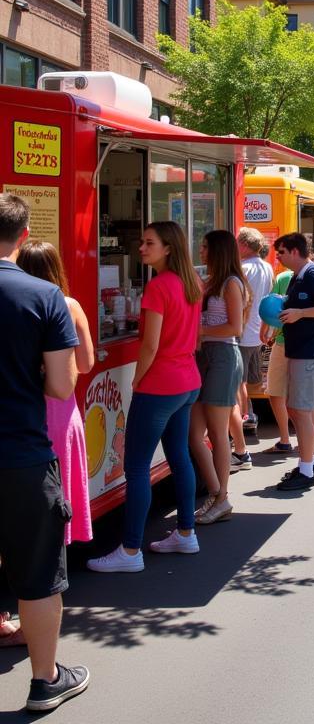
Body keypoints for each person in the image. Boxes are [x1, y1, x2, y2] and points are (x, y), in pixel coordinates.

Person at [0, 195, 88, 711]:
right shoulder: (44, 296)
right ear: (25, 233)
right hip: (21, 456)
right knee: (36, 576)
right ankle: (45, 679)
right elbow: (61, 386)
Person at [88, 221, 202, 571]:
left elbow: (149, 344)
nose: (141, 248)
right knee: (179, 456)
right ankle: (186, 532)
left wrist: (138, 380)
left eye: (149, 243)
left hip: (159, 385)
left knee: (136, 467)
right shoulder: (192, 283)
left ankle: (131, 551)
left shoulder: (158, 287)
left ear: (168, 248)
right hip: (186, 381)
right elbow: (194, 338)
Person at [15, 242, 94, 548]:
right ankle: (56, 553)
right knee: (60, 486)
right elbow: (86, 363)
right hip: (62, 409)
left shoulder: (15, 303)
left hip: (24, 406)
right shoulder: (69, 305)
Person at [190, 230, 250, 524]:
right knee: (194, 435)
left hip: (223, 357)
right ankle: (216, 494)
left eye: (204, 246)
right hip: (206, 357)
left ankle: (221, 497)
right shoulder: (212, 280)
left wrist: (199, 331)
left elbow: (235, 327)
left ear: (218, 251)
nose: (200, 251)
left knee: (216, 432)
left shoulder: (230, 283)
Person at [274, 232, 314, 491]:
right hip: (304, 351)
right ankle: (310, 465)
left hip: (310, 353)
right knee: (305, 410)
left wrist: (301, 313)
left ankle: (307, 469)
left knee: (302, 411)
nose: (277, 257)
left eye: (280, 252)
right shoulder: (301, 276)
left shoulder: (312, 273)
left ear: (294, 251)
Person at [233, 227, 273, 452]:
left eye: (238, 243)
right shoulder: (267, 267)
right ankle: (249, 414)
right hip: (258, 329)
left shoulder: (243, 268)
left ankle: (246, 416)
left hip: (243, 330)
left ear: (245, 245)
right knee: (246, 379)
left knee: (240, 380)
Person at [262, 266, 295, 452]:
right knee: (307, 399)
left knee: (276, 391)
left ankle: (285, 439)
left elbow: (271, 308)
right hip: (309, 347)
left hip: (283, 343)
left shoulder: (283, 278)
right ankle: (311, 446)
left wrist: (266, 331)